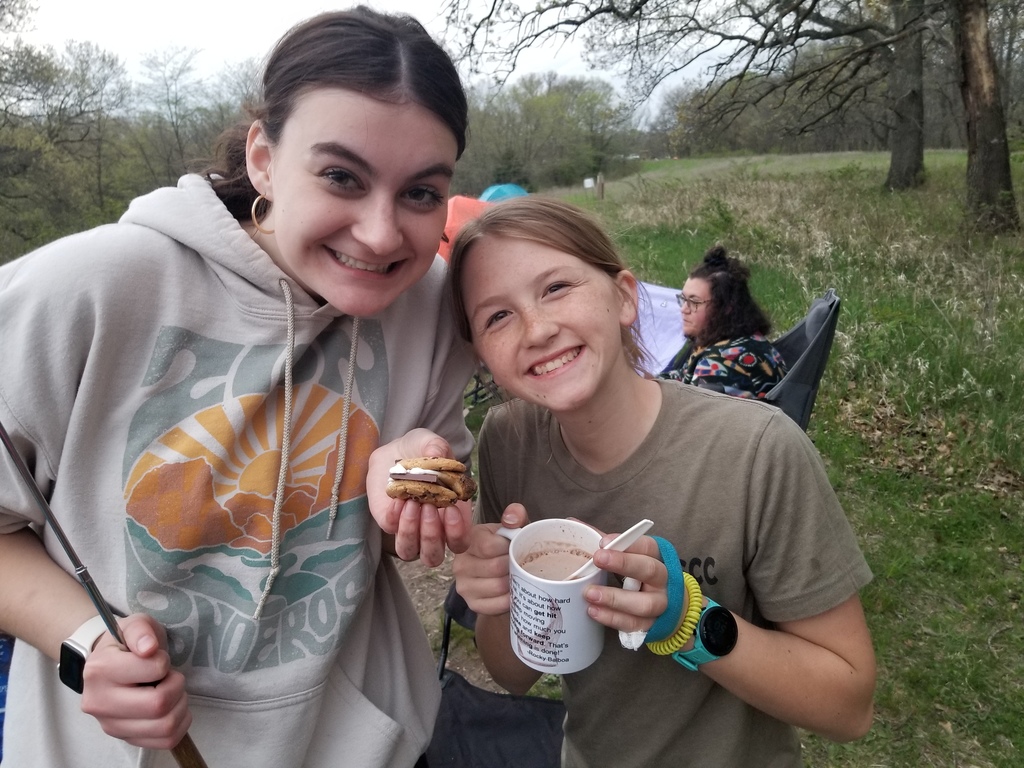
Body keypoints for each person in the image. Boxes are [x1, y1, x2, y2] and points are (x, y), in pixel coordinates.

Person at [0, 8, 476, 767]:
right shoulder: (88, 289)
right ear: (263, 157)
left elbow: (407, 512)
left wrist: (409, 467)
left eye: (421, 193)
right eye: (341, 177)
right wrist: (85, 640)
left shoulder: (429, 303)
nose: (382, 234)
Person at [445, 197, 876, 767]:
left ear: (625, 297)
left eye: (556, 288)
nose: (537, 329)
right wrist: (500, 597)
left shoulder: (756, 450)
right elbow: (514, 673)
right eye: (496, 316)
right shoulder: (507, 441)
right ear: (481, 355)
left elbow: (848, 705)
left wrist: (686, 620)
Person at [660, 244, 788, 399]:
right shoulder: (746, 341)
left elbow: (690, 418)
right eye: (683, 299)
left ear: (726, 307)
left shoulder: (719, 364)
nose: (684, 309)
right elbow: (681, 377)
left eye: (694, 302)